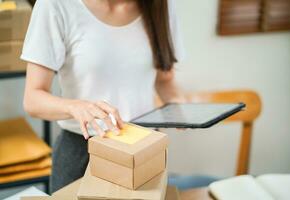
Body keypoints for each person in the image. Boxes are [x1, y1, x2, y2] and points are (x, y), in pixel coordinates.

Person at [21, 0, 185, 193]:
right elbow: (33, 99)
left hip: (145, 149)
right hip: (83, 150)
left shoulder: (160, 5)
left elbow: (164, 80)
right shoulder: (55, 5)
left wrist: (179, 107)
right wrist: (75, 107)